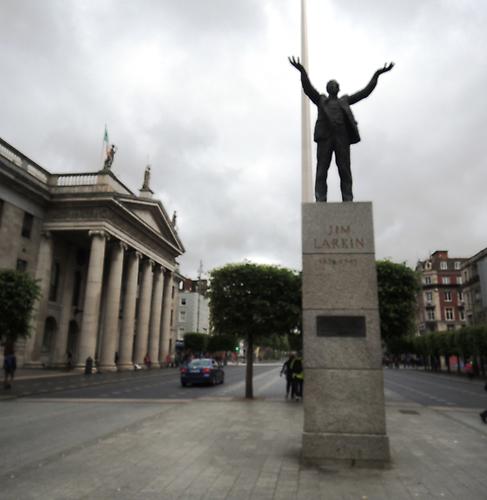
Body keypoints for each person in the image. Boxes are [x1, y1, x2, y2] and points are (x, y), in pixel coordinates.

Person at [289, 56, 394, 202]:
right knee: (321, 171)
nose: (333, 86)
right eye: (330, 85)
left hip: (341, 138)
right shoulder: (321, 100)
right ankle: (320, 199)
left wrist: (377, 74)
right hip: (325, 138)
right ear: (327, 88)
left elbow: (365, 93)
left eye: (335, 85)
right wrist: (301, 71)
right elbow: (307, 88)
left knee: (344, 170)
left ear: (338, 89)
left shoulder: (344, 101)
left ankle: (348, 199)